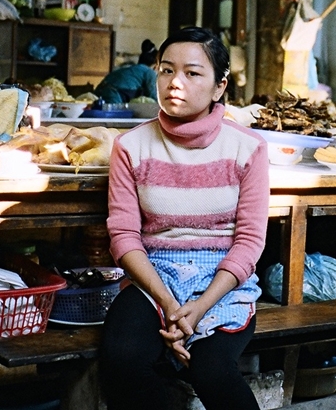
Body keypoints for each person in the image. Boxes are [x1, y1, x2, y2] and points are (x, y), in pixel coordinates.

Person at [100, 27, 269, 410]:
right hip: (154, 276)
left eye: (192, 73)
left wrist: (202, 305)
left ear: (219, 87)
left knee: (211, 368)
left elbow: (249, 242)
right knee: (122, 359)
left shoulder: (247, 147)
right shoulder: (130, 146)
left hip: (223, 282)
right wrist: (169, 304)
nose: (175, 82)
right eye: (165, 70)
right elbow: (124, 236)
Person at [93, 39, 159, 104]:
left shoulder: (132, 69)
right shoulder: (149, 72)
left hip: (100, 90)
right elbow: (153, 95)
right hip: (114, 93)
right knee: (115, 114)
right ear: (156, 65)